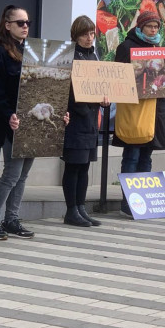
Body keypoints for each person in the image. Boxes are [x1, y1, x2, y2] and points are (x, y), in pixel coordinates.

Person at [0, 5, 69, 239]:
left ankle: (11, 219)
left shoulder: (30, 55)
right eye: (20, 23)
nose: (25, 27)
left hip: (32, 123)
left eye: (27, 23)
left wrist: (60, 112)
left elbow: (43, 89)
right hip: (13, 125)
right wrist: (9, 115)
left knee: (22, 176)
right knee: (12, 174)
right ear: (7, 25)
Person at [113, 10, 165, 215]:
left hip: (155, 110)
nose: (154, 29)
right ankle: (127, 202)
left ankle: (143, 202)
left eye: (156, 27)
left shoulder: (159, 48)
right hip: (135, 110)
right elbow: (118, 77)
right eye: (150, 26)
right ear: (140, 27)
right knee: (132, 154)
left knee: (147, 155)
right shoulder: (126, 46)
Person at [62, 16, 109, 227]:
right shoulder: (70, 57)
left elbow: (100, 87)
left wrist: (105, 100)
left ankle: (81, 208)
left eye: (92, 34)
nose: (89, 38)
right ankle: (71, 210)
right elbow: (67, 90)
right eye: (85, 34)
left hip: (91, 120)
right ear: (76, 35)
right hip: (75, 119)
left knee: (85, 167)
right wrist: (85, 105)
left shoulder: (94, 56)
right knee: (73, 166)